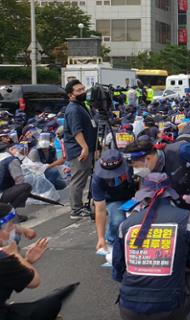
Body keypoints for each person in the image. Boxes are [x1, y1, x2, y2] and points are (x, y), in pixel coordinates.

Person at [123, 136, 190, 305]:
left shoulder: (181, 150)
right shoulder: (148, 169)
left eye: (136, 167)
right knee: (183, 236)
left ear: (148, 159)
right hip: (181, 196)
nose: (135, 171)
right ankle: (186, 274)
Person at [112, 173, 190, 319]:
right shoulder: (187, 218)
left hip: (128, 308)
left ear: (143, 197)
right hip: (167, 308)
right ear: (169, 194)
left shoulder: (126, 225)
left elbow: (118, 272)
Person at [0, 202, 78, 320]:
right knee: (50, 304)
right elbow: (34, 281)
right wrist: (15, 255)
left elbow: (7, 276)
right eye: (9, 226)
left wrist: (26, 261)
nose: (13, 230)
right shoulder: (4, 258)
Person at [63, 79, 98, 220]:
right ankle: (76, 210)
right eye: (79, 91)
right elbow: (76, 131)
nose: (83, 92)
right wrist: (84, 147)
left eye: (83, 89)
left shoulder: (82, 105)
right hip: (79, 150)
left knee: (82, 178)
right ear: (70, 95)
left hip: (86, 148)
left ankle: (78, 206)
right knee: (78, 180)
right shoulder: (73, 109)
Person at [91, 150, 136, 255]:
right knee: (117, 220)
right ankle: (110, 241)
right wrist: (100, 237)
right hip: (113, 199)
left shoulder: (132, 166)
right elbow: (100, 210)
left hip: (136, 195)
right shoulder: (97, 179)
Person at [0, 136, 32, 214]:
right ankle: (11, 213)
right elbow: (20, 181)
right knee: (26, 187)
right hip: (2, 194)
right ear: (8, 149)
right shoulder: (11, 160)